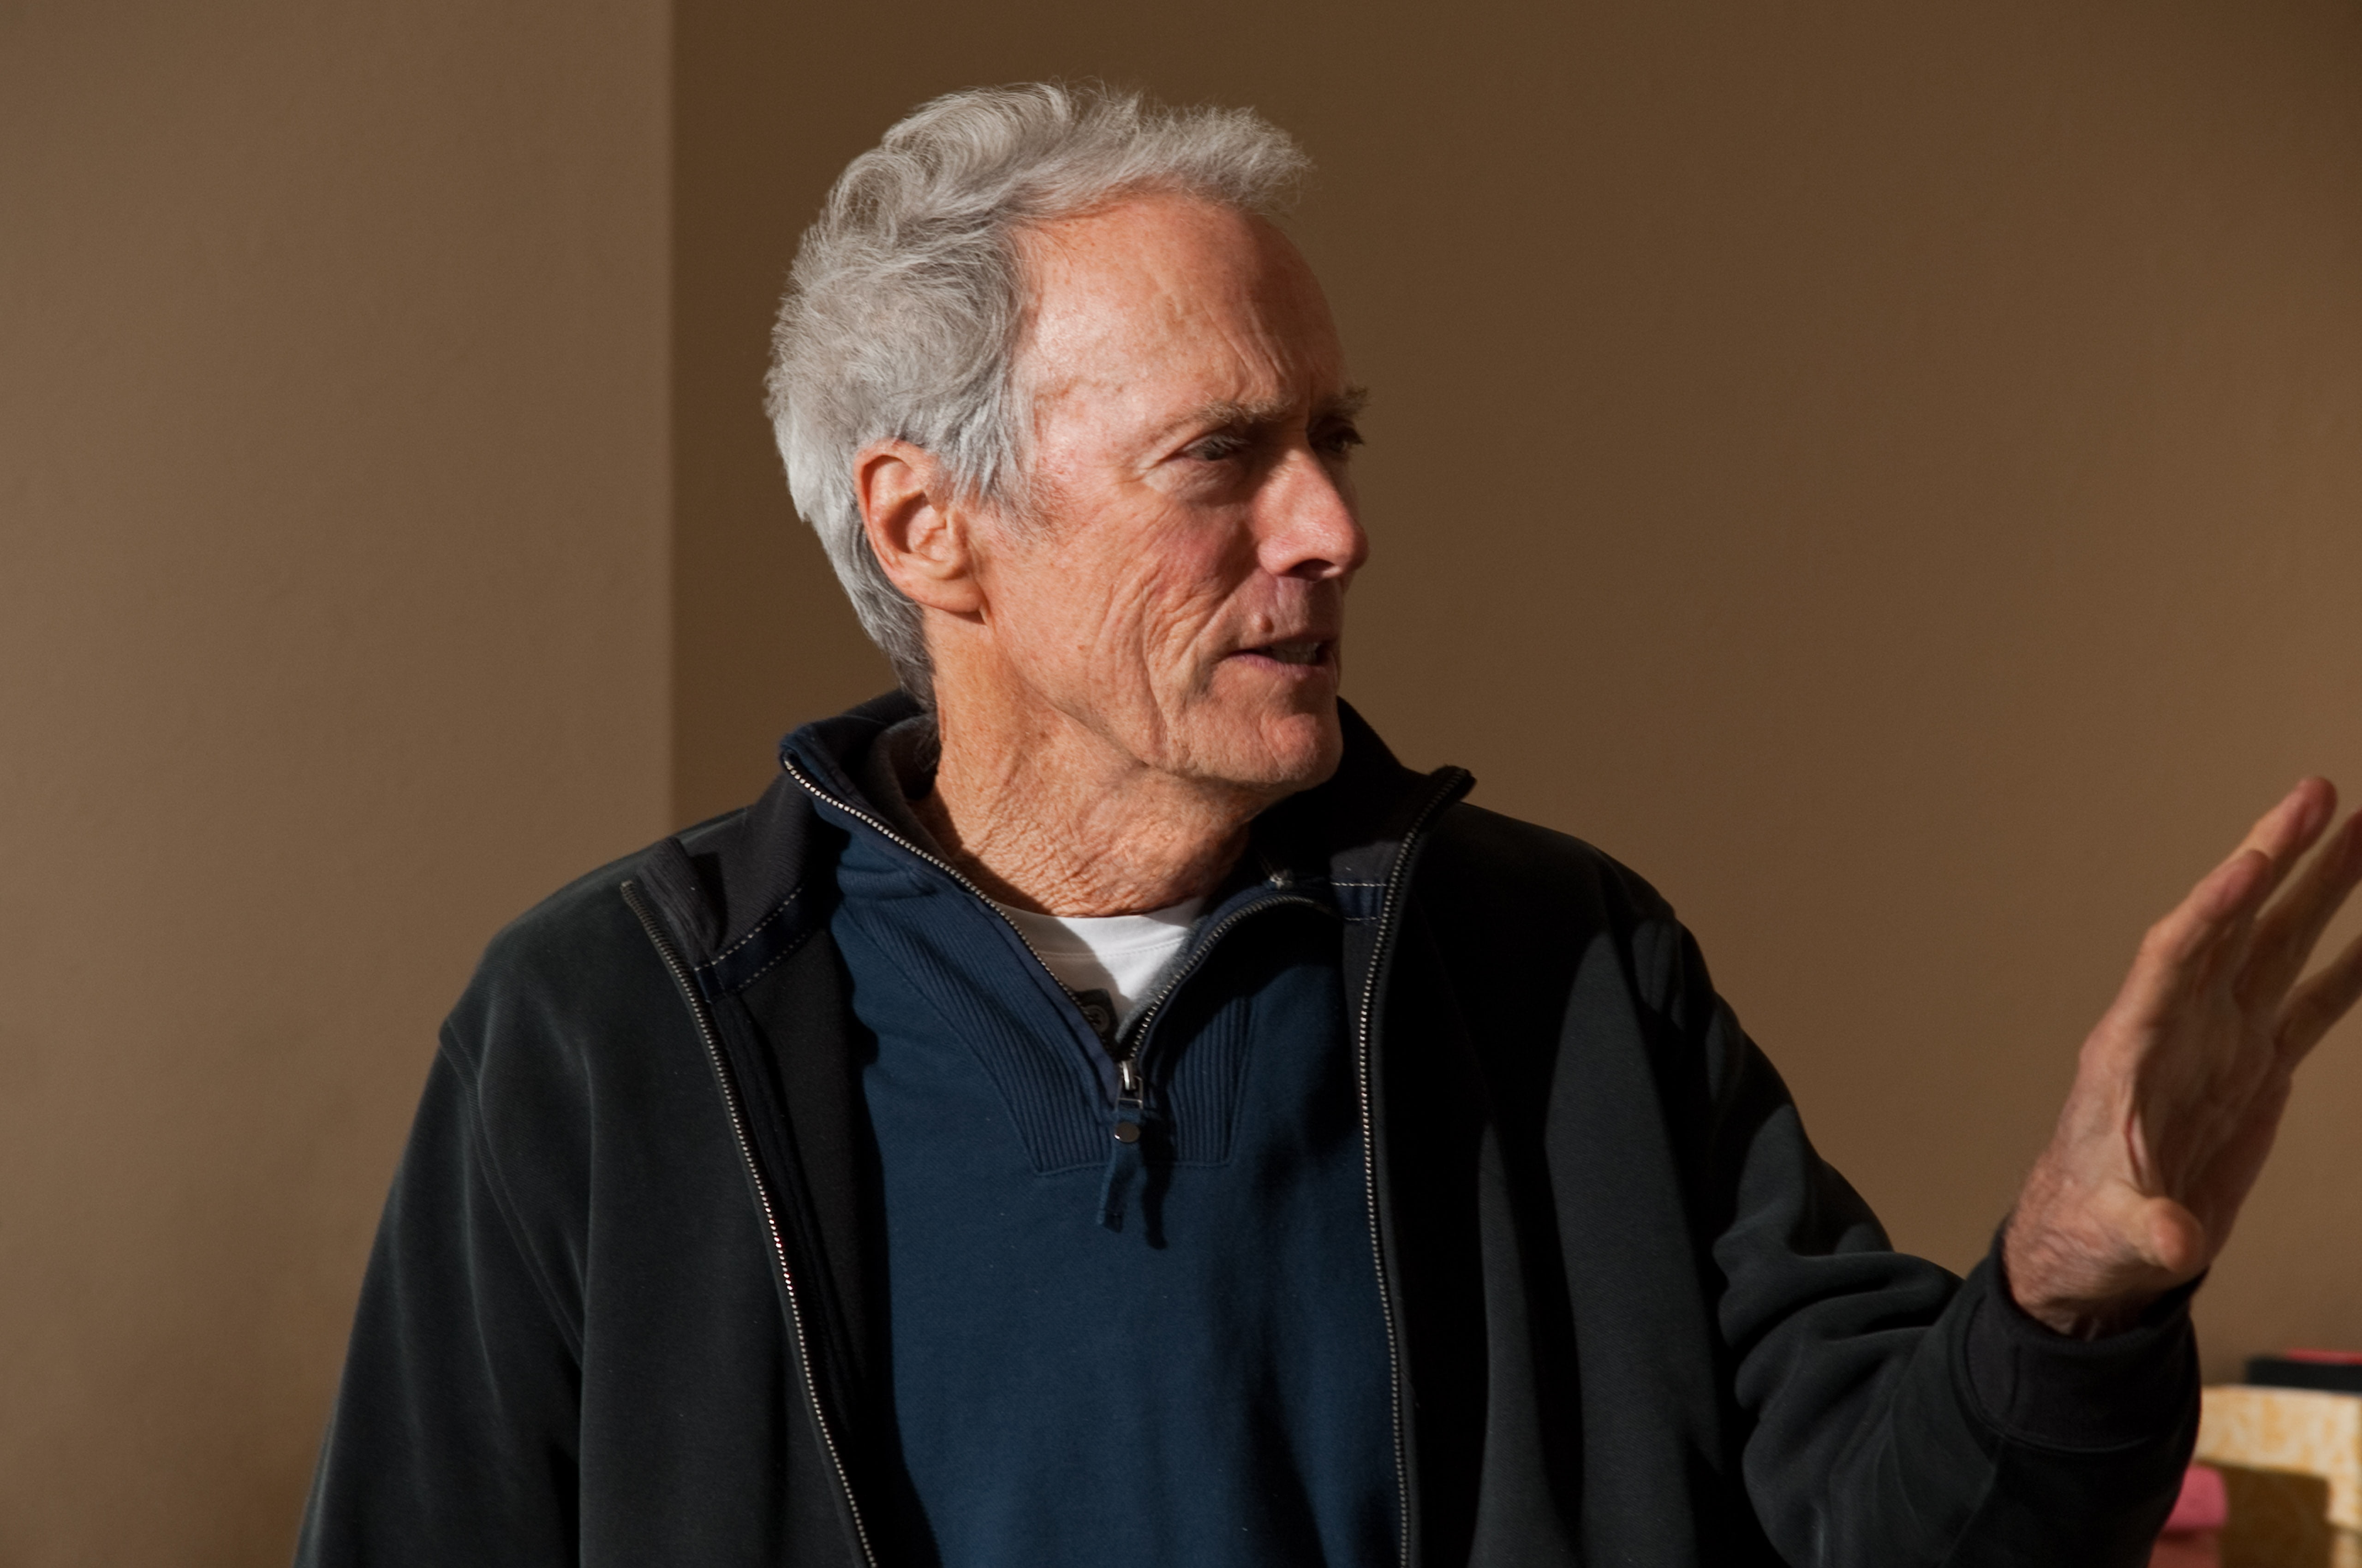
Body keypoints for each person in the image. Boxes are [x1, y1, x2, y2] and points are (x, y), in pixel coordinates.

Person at [294, 84, 2362, 1568]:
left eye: (1331, 440)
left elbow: (1895, 1518)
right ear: (933, 528)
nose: (1330, 528)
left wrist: (2068, 1285)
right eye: (1224, 456)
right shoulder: (604, 1028)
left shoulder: (1564, 971)